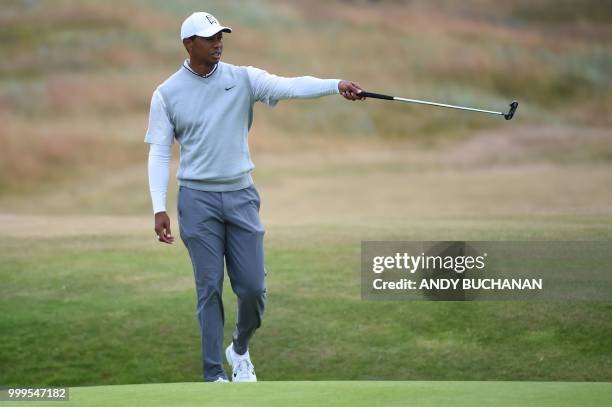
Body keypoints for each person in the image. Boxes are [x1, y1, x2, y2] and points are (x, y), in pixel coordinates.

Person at [145, 11, 364, 383]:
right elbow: (160, 151)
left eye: (221, 36)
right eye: (210, 38)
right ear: (188, 44)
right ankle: (214, 374)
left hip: (241, 196)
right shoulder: (166, 93)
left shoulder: (243, 78)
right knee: (209, 287)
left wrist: (335, 84)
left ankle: (240, 349)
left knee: (252, 289)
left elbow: (290, 86)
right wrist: (159, 207)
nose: (218, 43)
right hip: (197, 201)